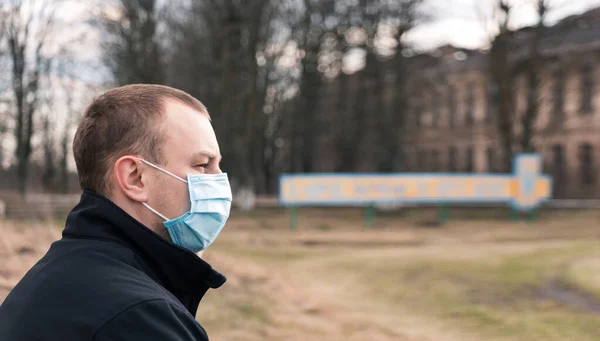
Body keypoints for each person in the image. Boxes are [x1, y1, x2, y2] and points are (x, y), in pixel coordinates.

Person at [0, 84, 232, 340]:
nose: (219, 180)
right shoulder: (137, 317)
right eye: (202, 165)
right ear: (134, 177)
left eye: (218, 166)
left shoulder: (55, 275)